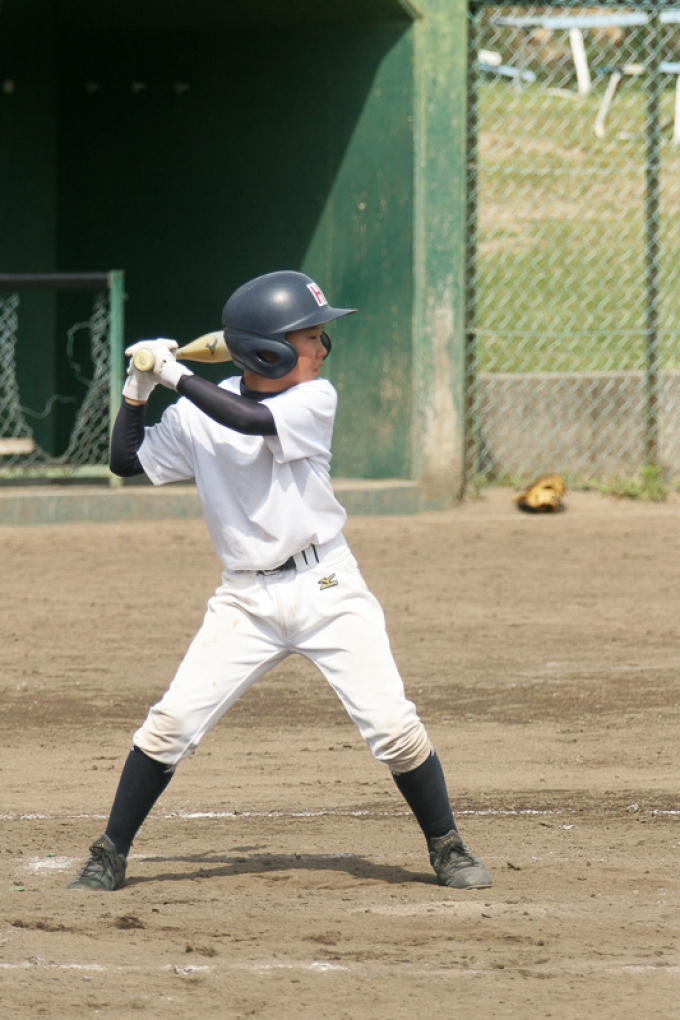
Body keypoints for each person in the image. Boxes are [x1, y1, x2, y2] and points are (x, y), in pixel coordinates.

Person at [67, 271, 491, 893]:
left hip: (328, 587)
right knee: (170, 724)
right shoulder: (196, 413)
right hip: (245, 600)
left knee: (393, 727)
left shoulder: (314, 399)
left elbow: (248, 419)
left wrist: (173, 375)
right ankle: (109, 853)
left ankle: (447, 845)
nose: (323, 347)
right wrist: (137, 388)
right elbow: (125, 461)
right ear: (268, 351)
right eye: (309, 336)